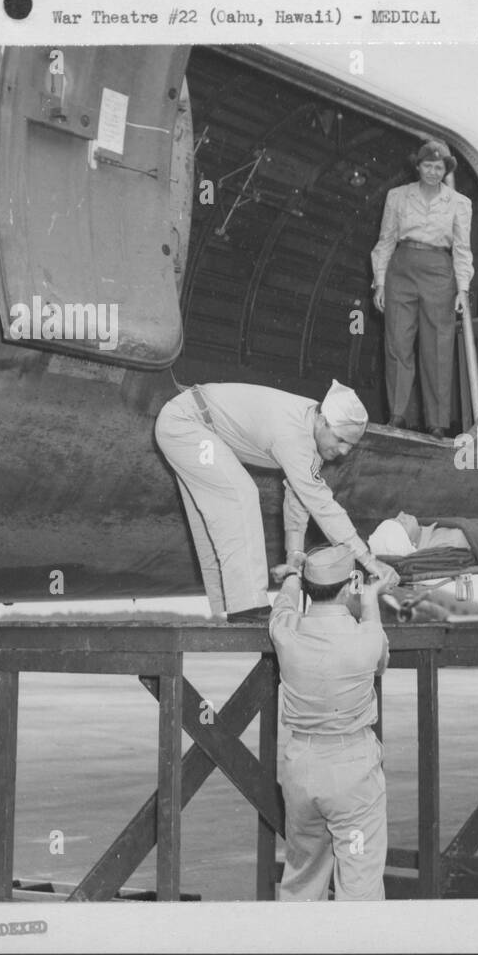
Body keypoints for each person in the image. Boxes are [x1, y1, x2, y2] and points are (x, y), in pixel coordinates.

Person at [154, 379, 397, 622]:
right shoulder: (293, 435)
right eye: (340, 440)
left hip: (195, 426)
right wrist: (368, 560)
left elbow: (299, 496)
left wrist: (295, 552)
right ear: (323, 421)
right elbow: (321, 505)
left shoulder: (312, 428)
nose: (344, 451)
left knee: (218, 509)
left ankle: (235, 603)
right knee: (239, 494)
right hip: (185, 423)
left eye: (351, 446)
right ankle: (247, 607)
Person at [269, 544, 397, 901]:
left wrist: (294, 574)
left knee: (302, 876)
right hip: (350, 772)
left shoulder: (285, 632)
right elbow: (380, 656)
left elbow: (284, 605)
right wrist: (371, 595)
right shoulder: (365, 639)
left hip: (301, 767)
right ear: (349, 584)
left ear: (309, 588)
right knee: (359, 881)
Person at [370, 137, 474, 440]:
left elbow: (463, 250)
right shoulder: (397, 196)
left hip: (439, 272)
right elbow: (386, 240)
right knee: (397, 343)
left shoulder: (460, 203)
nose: (432, 171)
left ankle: (437, 422)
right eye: (427, 165)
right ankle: (399, 414)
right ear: (418, 166)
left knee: (438, 346)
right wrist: (380, 282)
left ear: (446, 169)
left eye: (438, 166)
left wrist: (463, 289)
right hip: (401, 269)